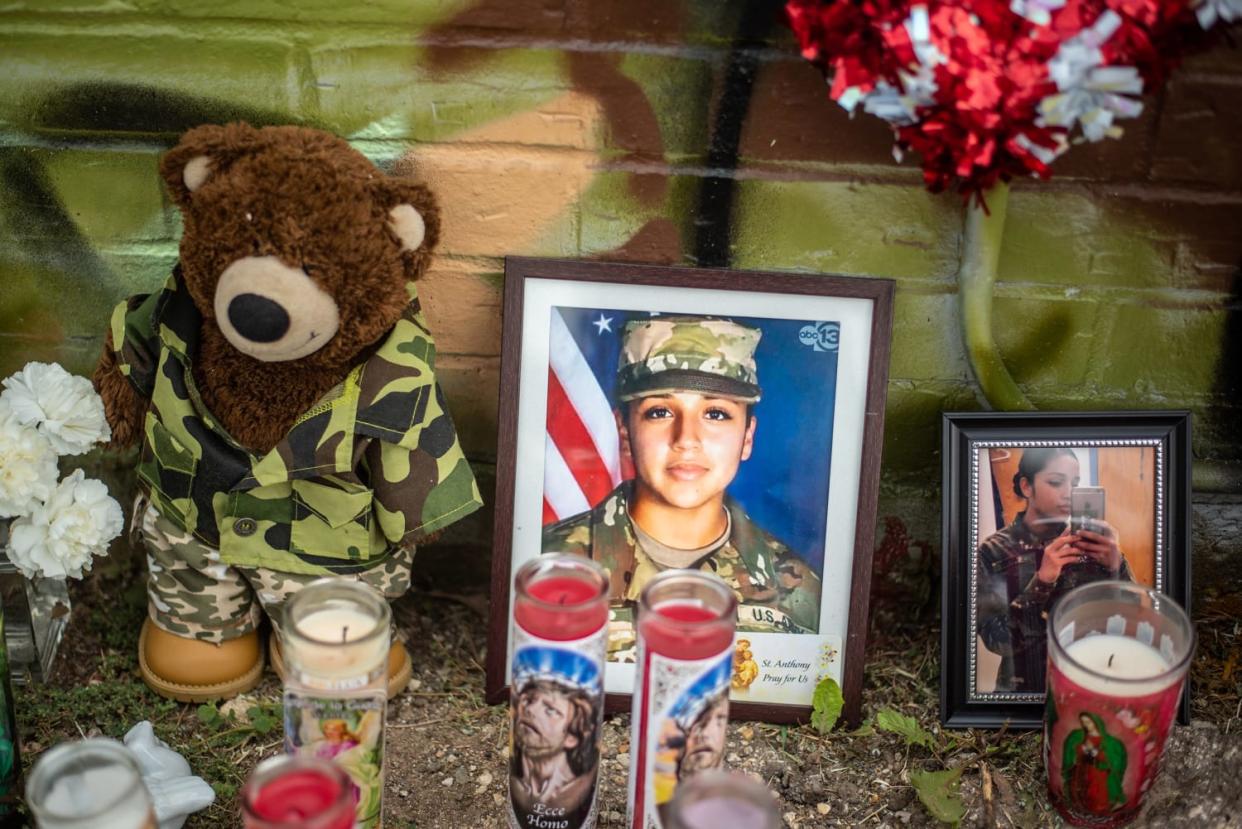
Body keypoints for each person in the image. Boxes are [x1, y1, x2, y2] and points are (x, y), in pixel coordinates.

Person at [543, 316, 822, 660]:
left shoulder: (796, 587)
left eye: (716, 414)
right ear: (626, 432)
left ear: (747, 437)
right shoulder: (545, 564)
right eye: (659, 412)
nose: (687, 440)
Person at [976, 448, 1132, 693]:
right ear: (1027, 486)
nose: (1069, 493)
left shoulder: (1091, 543)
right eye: (1056, 482)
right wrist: (1042, 582)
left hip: (1086, 685)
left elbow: (1128, 624)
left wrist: (1117, 566)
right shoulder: (993, 551)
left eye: (1075, 483)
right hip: (1022, 693)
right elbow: (998, 642)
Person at [510, 678, 599, 818]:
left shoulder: (578, 790)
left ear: (571, 737)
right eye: (529, 701)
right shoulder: (518, 784)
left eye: (550, 710)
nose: (530, 710)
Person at [1062, 713, 1127, 814]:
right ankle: (1081, 810)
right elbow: (1076, 752)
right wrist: (1082, 749)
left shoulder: (1108, 741)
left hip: (1097, 773)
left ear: (1095, 722)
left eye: (1088, 722)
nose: (1085, 725)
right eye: (1083, 722)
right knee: (1081, 792)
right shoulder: (1081, 736)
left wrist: (1093, 751)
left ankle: (1098, 812)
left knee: (1095, 794)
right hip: (1082, 770)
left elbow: (1108, 759)